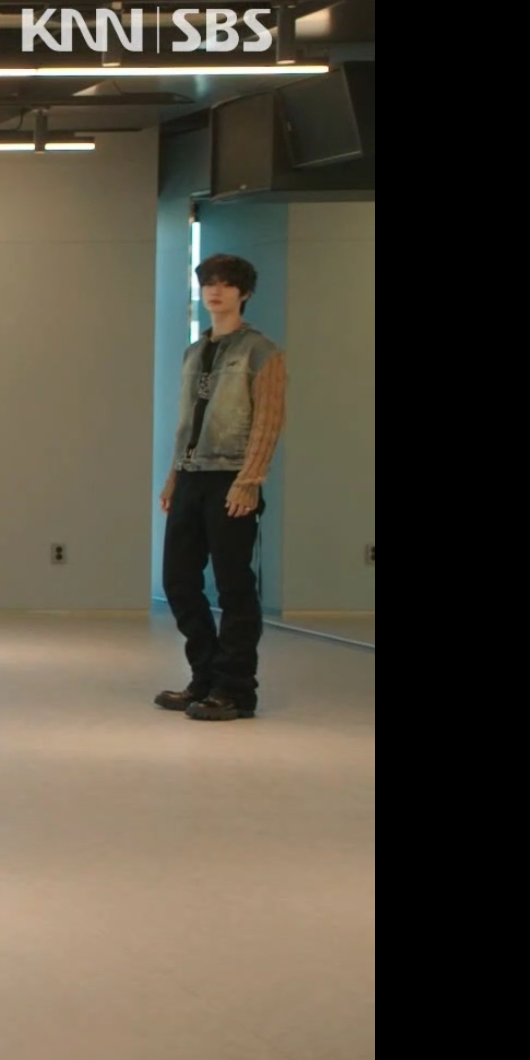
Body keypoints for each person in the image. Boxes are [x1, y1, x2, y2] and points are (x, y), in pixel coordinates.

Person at [156, 253, 288, 722]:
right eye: (209, 282)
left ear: (244, 293)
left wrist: (249, 481)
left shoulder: (262, 352)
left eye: (227, 284)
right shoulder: (194, 352)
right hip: (191, 477)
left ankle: (235, 689)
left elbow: (268, 422)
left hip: (232, 477)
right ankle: (206, 675)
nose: (215, 291)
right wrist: (174, 476)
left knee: (233, 585)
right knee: (178, 580)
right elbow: (186, 423)